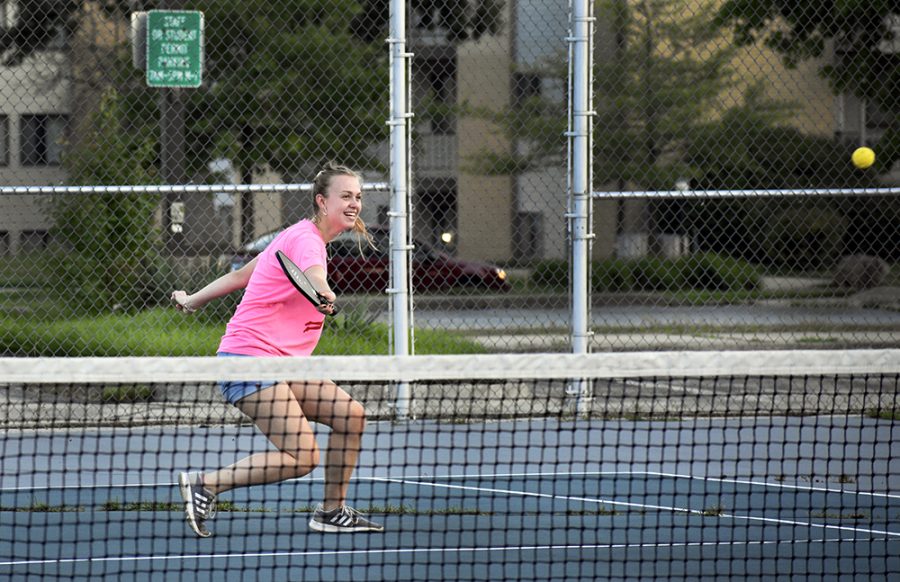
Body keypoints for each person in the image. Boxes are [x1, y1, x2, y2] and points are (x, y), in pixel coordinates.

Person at [170, 162, 382, 538]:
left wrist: (193, 299)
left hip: (281, 363)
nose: (355, 204)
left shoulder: (294, 235)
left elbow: (241, 275)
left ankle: (331, 512)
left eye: (358, 197)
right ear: (322, 201)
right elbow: (314, 274)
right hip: (250, 359)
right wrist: (324, 290)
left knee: (351, 416)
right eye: (345, 196)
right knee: (303, 456)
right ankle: (207, 484)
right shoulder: (306, 241)